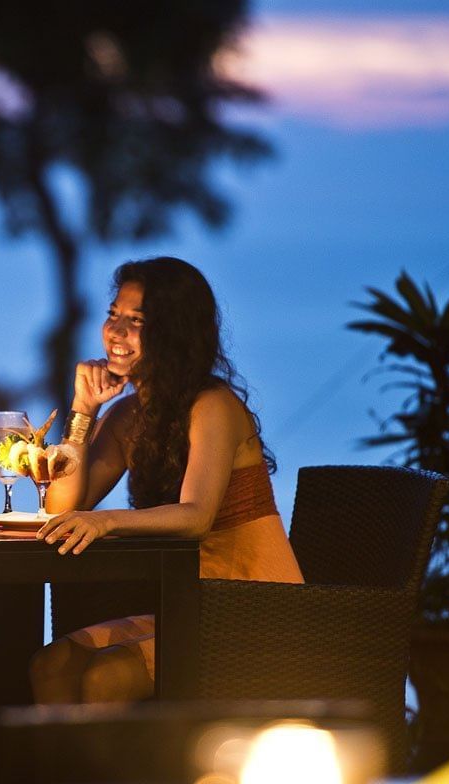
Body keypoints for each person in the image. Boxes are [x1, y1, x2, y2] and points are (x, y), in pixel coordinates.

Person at [29, 257, 303, 704]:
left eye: (135, 321)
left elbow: (196, 517)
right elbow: (60, 506)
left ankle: (123, 777)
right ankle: (63, 777)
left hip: (255, 609)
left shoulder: (213, 406)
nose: (115, 332)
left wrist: (106, 521)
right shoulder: (127, 416)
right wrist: (83, 410)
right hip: (185, 603)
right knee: (53, 664)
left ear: (173, 333)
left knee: (105, 677)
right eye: (113, 315)